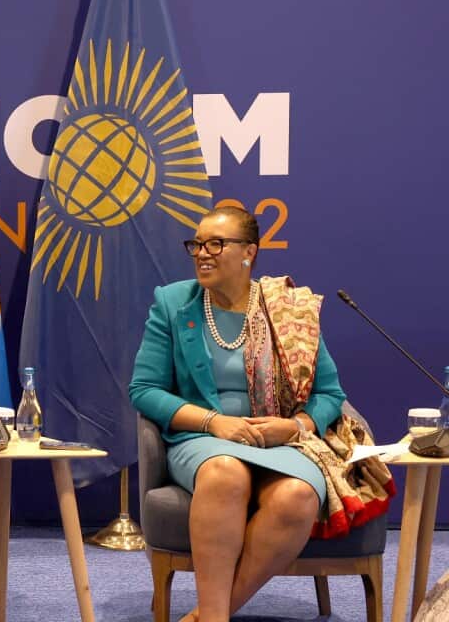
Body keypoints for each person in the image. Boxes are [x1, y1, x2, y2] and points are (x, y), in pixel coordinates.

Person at [129, 205, 392, 622]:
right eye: (196, 244)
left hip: (279, 441)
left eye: (216, 243)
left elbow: (329, 393)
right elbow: (144, 390)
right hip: (202, 439)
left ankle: (210, 614)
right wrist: (214, 422)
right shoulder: (174, 302)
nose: (202, 253)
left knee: (298, 496)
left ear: (249, 252)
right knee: (224, 474)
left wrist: (294, 426)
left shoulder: (289, 309)